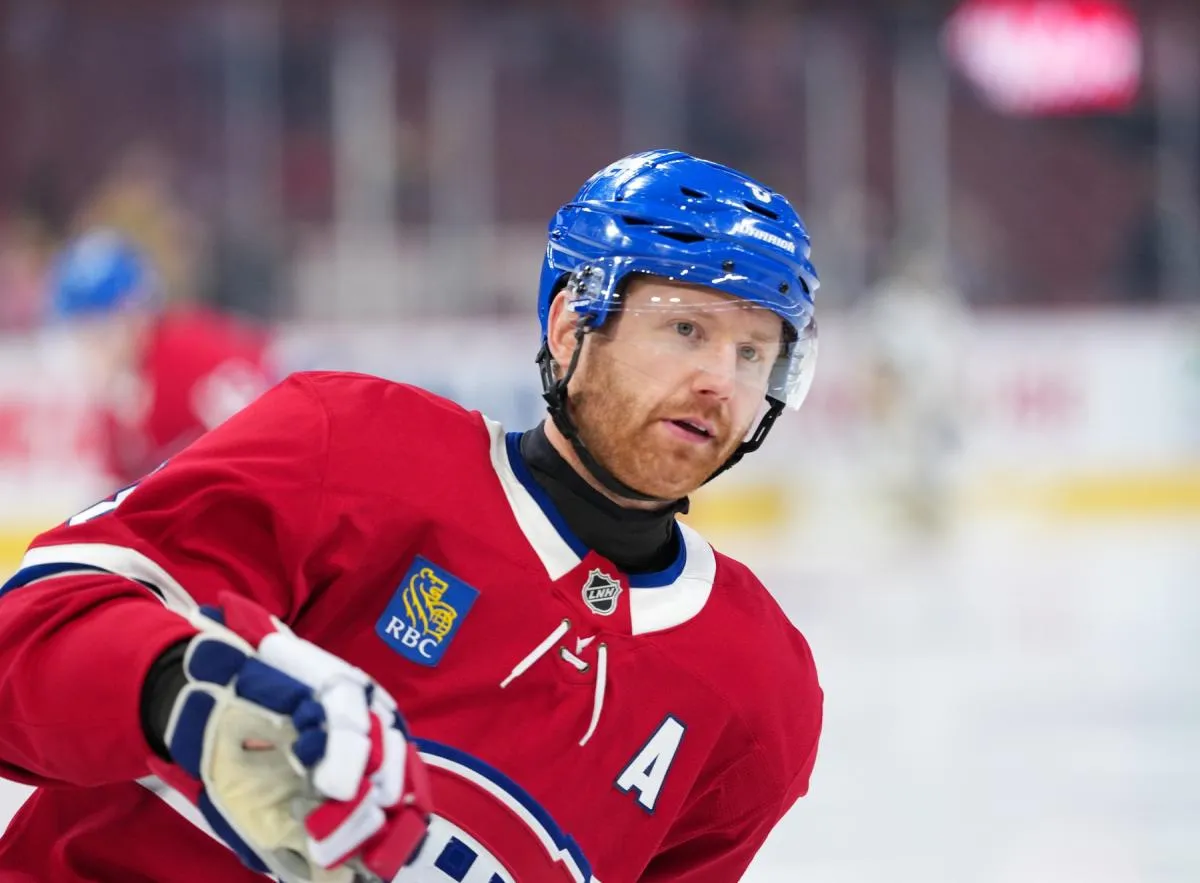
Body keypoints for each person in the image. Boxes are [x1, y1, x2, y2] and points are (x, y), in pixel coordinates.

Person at [0, 149, 824, 882]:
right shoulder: (351, 446)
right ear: (573, 325)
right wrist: (179, 694)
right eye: (687, 329)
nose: (723, 379)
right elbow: (26, 640)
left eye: (754, 352)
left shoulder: (759, 698)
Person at [46, 228, 275, 484]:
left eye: (96, 329)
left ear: (135, 314)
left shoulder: (195, 358)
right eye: (79, 331)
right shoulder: (121, 399)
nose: (87, 346)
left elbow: (271, 447)